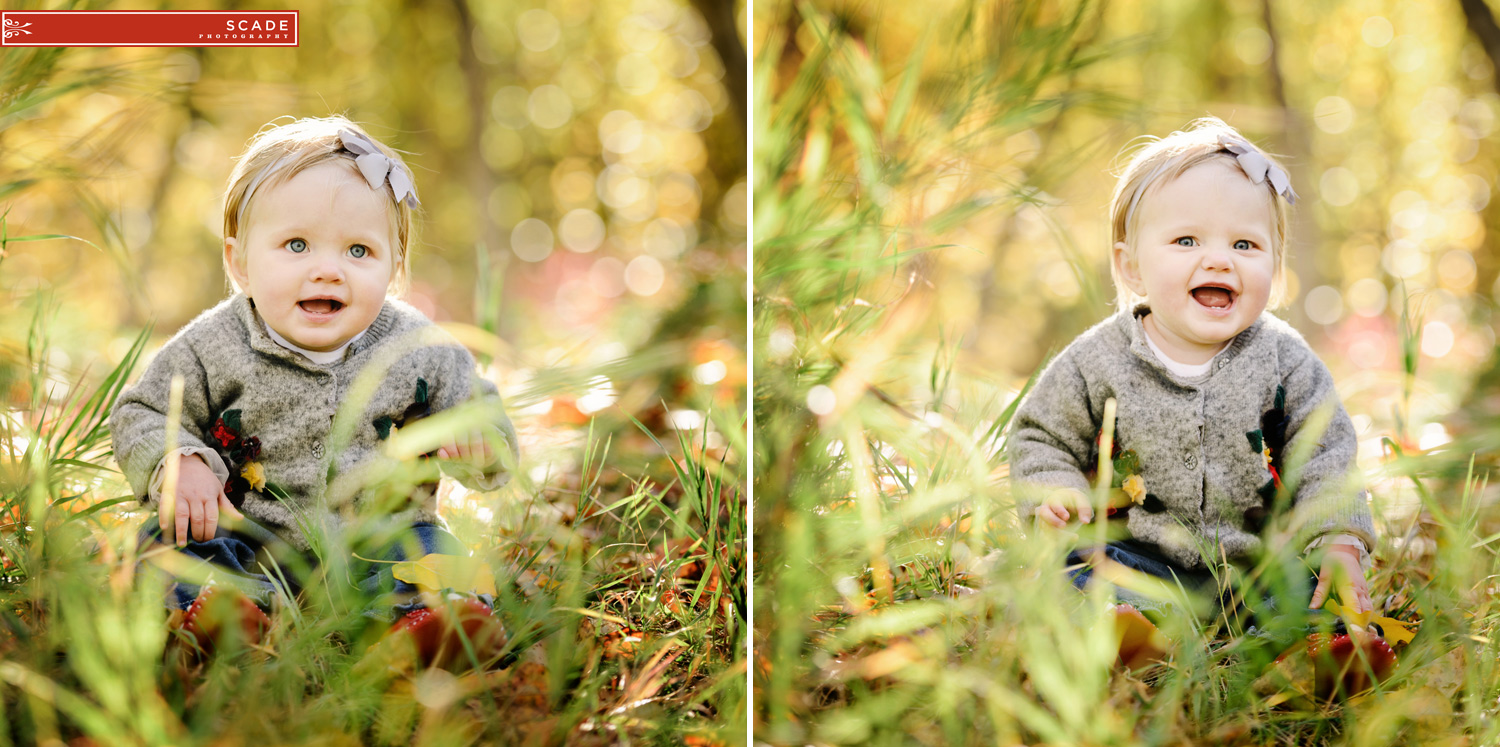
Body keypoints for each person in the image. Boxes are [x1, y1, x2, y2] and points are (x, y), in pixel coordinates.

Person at [109, 115, 517, 666]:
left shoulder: (420, 348)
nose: (327, 271)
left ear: (394, 269)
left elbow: (481, 410)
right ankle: (219, 615)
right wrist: (178, 460)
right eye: (296, 245)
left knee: (434, 553)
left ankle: (426, 628)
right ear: (240, 264)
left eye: (357, 252)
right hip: (243, 536)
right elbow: (142, 409)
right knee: (169, 544)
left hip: (379, 540)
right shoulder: (212, 345)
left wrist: (478, 439)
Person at [1010, 117, 1377, 656]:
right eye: (1186, 240)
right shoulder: (1097, 359)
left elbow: (1327, 454)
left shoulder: (1286, 360)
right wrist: (1054, 491)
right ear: (1131, 265)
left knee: (1311, 595)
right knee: (1076, 576)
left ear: (1275, 269)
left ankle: (1311, 653)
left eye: (1245, 244)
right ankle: (1124, 636)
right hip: (1136, 561)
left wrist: (1338, 540)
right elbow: (1041, 435)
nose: (1218, 259)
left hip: (1257, 568)